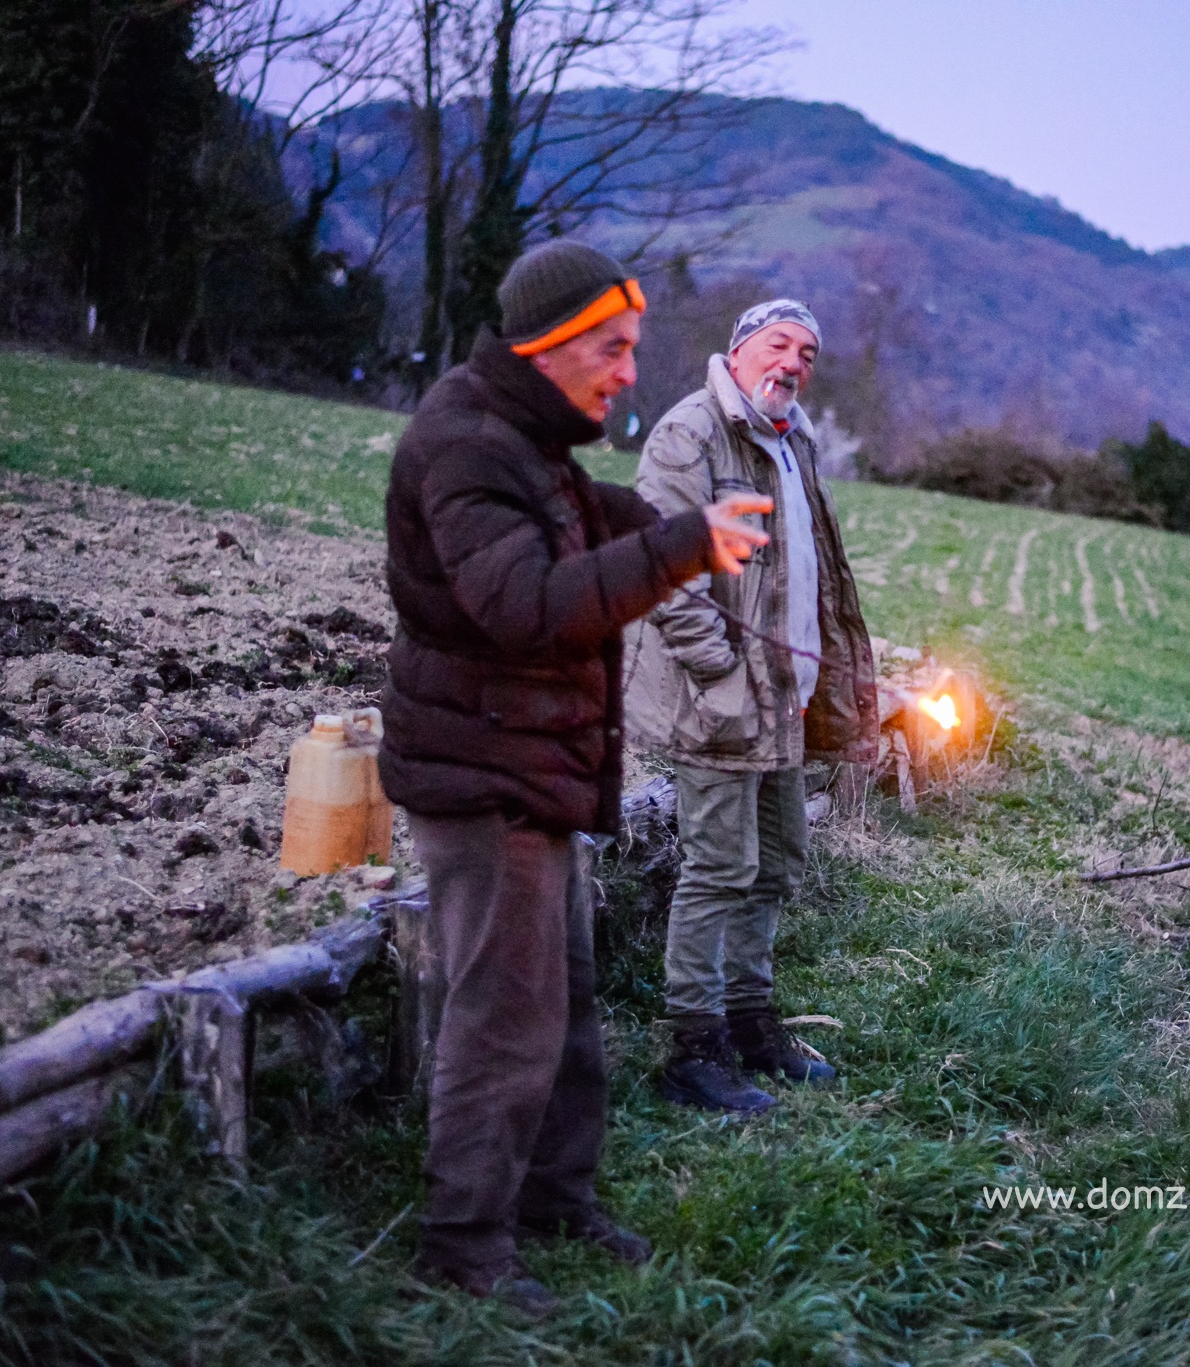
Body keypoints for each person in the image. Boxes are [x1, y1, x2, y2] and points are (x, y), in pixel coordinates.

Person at [378, 240, 771, 1316]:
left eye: (634, 346)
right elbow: (525, 606)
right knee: (504, 1014)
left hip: (531, 764)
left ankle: (553, 1199)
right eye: (611, 347)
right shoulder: (461, 442)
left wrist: (656, 530)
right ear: (547, 346)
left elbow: (572, 517)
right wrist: (679, 544)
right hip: (480, 768)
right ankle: (462, 1244)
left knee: (564, 1003)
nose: (628, 370)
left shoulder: (527, 439)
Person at [624, 298, 878, 1113]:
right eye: (780, 344)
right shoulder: (692, 433)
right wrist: (724, 676)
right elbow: (667, 572)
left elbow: (818, 574)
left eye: (809, 351)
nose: (795, 362)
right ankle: (692, 1049)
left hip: (785, 700)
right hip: (719, 702)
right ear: (738, 350)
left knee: (774, 865)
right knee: (718, 868)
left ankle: (752, 1022)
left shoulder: (794, 438)